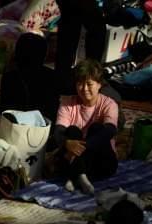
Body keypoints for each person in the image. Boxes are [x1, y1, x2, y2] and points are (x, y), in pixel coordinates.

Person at [53, 59, 118, 194]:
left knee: (97, 129)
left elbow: (110, 131)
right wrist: (67, 143)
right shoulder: (67, 103)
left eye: (89, 84)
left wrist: (83, 147)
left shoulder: (109, 104)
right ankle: (81, 176)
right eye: (80, 84)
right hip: (72, 155)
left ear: (99, 84)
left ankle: (74, 175)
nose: (84, 89)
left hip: (99, 160)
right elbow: (59, 131)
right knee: (72, 131)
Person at [0, 32, 59, 122]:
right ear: (43, 54)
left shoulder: (9, 76)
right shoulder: (52, 76)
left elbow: (4, 108)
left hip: (15, 124)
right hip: (44, 125)